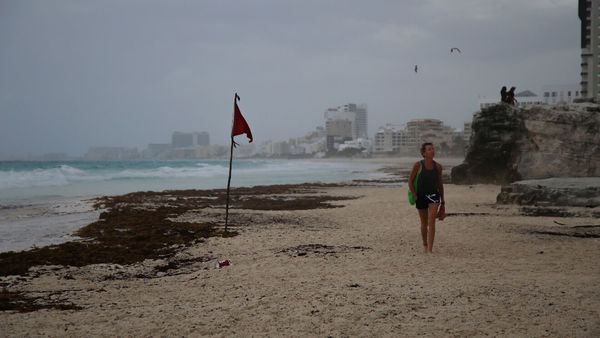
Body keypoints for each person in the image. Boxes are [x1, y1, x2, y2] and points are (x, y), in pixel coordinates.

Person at [408, 142, 445, 254]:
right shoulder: (418, 165)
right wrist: (415, 196)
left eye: (433, 149)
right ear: (424, 153)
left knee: (431, 221)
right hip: (421, 196)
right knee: (424, 223)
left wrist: (443, 202)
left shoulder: (438, 167)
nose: (432, 151)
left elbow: (440, 184)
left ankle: (430, 250)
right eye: (429, 149)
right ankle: (425, 244)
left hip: (434, 196)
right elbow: (410, 181)